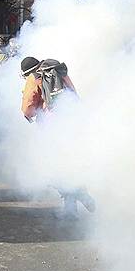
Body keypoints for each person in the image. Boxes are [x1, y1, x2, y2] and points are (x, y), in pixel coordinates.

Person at [20, 57, 96, 218]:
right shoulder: (59, 71)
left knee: (52, 169)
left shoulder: (35, 77)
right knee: (68, 164)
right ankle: (71, 209)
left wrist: (32, 115)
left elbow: (27, 107)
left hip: (51, 128)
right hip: (73, 124)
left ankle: (80, 194)